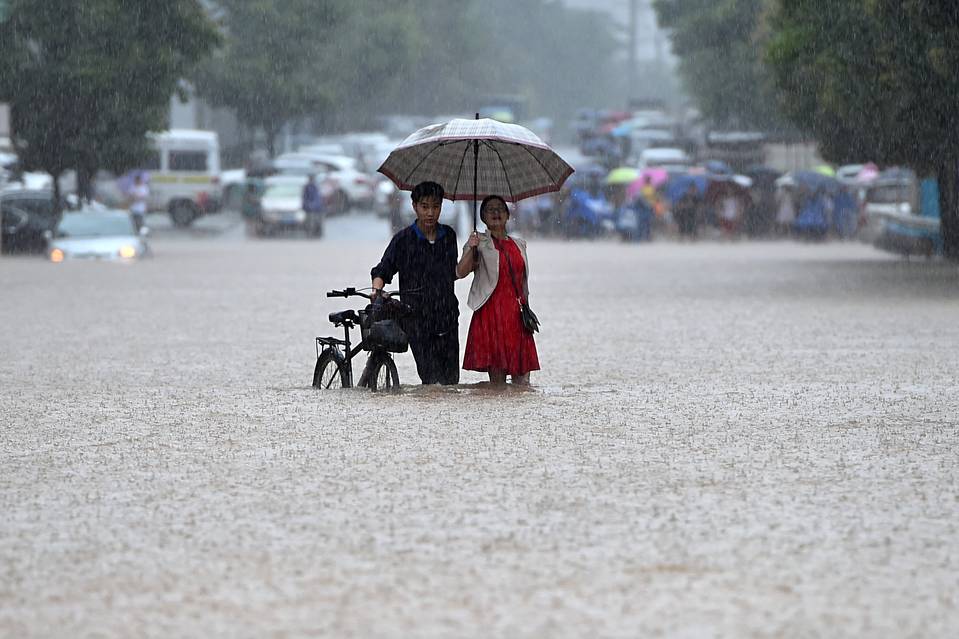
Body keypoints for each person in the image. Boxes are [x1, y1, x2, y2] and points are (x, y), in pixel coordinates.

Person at [371, 181, 460, 385]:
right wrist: (376, 289)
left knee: (451, 382)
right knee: (431, 381)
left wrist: (472, 252)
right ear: (414, 206)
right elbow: (383, 269)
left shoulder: (449, 236)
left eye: (436, 207)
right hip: (416, 318)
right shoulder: (403, 240)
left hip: (447, 317)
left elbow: (453, 273)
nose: (430, 213)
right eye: (425, 206)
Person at [457, 195, 540, 386]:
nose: (496, 213)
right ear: (483, 217)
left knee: (523, 383)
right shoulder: (479, 243)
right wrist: (471, 248)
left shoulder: (519, 244)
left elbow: (522, 281)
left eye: (500, 209)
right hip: (491, 314)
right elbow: (460, 272)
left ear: (508, 215)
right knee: (497, 385)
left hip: (517, 315)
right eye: (490, 210)